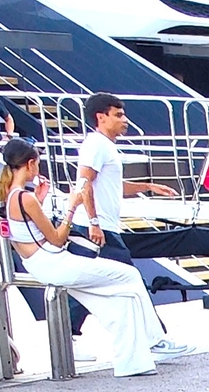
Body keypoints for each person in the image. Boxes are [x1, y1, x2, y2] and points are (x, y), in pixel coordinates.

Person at [0, 137, 164, 377]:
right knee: (130, 275)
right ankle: (153, 340)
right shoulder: (25, 198)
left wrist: (41, 201)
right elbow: (57, 238)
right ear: (31, 164)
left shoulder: (10, 196)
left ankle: (135, 361)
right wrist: (72, 206)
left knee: (121, 296)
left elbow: (27, 229)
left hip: (40, 262)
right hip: (53, 261)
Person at [71, 93, 189, 360]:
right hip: (98, 229)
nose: (125, 120)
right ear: (101, 117)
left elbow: (110, 186)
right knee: (131, 281)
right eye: (118, 115)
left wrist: (147, 186)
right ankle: (154, 340)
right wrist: (94, 222)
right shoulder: (97, 145)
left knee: (89, 283)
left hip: (100, 227)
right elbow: (84, 183)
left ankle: (69, 337)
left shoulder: (105, 146)